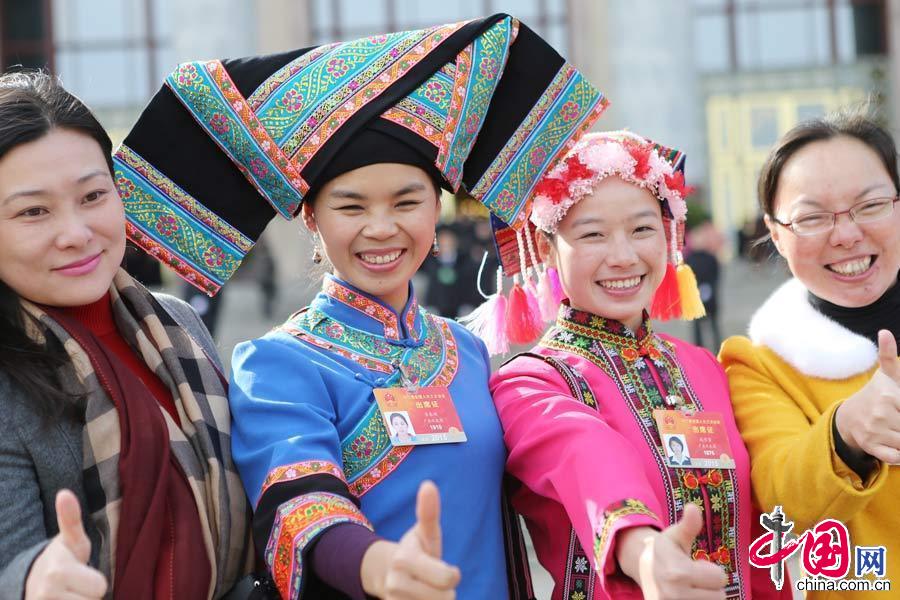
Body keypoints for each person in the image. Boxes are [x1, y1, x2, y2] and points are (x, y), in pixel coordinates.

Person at [111, 14, 607, 599]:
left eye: (406, 201)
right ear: (312, 218)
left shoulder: (466, 349)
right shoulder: (278, 364)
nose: (382, 228)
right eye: (351, 207)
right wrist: (377, 567)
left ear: (437, 208)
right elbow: (299, 502)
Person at [489, 131, 788, 599]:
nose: (624, 256)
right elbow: (586, 460)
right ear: (548, 249)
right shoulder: (531, 383)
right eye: (592, 234)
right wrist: (644, 550)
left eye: (642, 229)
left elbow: (759, 538)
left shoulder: (704, 367)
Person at [0, 71, 252, 599]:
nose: (76, 233)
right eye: (33, 211)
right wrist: (31, 581)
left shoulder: (178, 325)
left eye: (93, 195)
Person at [719, 114, 900, 595]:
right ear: (776, 234)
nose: (846, 235)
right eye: (813, 217)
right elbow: (780, 498)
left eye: (871, 205)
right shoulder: (761, 364)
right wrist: (846, 432)